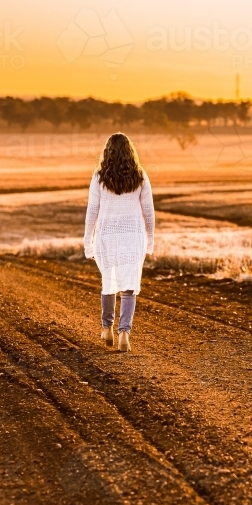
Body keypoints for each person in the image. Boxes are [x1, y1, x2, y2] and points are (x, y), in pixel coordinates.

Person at [83, 132, 155, 352]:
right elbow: (149, 212)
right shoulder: (140, 175)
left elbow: (92, 211)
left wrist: (88, 240)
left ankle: (107, 329)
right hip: (133, 236)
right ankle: (124, 333)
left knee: (109, 282)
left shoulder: (99, 176)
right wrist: (150, 240)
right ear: (130, 152)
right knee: (129, 287)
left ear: (108, 152)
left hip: (107, 236)